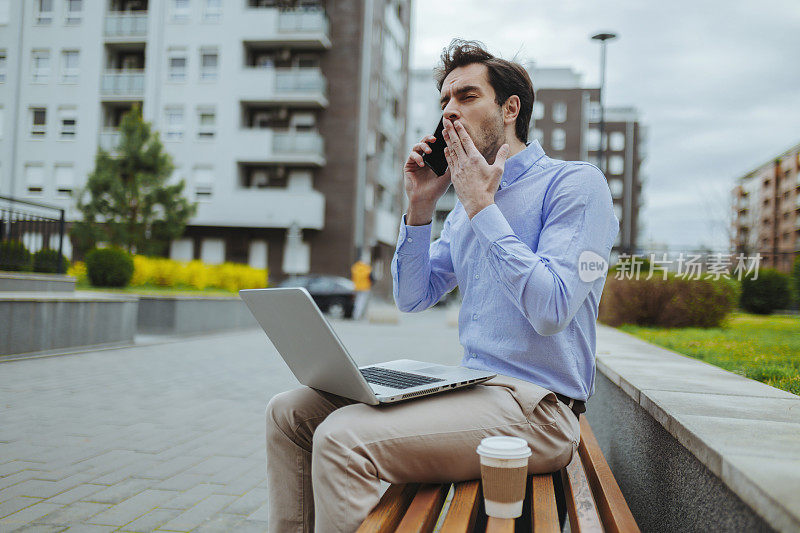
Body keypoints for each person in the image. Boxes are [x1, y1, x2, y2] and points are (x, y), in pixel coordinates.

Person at [265, 39, 619, 533]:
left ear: (510, 108)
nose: (450, 111)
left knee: (344, 438)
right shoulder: (462, 206)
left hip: (539, 411)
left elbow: (552, 308)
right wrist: (421, 209)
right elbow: (414, 298)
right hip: (469, 390)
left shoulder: (575, 185)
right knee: (290, 413)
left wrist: (481, 208)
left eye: (467, 96)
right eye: (445, 101)